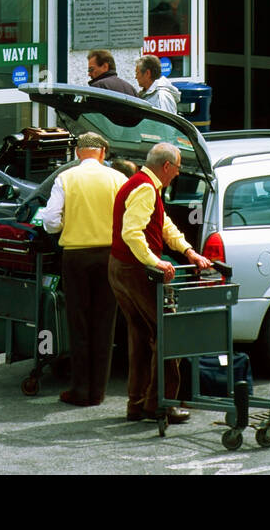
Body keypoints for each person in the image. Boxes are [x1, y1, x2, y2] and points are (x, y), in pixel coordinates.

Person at [108, 142, 212, 424]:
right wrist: (156, 261)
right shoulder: (145, 188)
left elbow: (164, 225)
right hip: (136, 271)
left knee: (141, 336)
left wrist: (188, 251)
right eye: (177, 168)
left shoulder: (141, 185)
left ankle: (138, 403)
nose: (178, 174)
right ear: (166, 166)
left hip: (121, 268)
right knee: (169, 333)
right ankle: (161, 405)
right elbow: (132, 232)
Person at [40, 133, 126, 407]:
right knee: (104, 323)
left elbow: (50, 220)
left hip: (76, 256)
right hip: (109, 255)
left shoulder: (65, 178)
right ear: (102, 153)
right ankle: (98, 391)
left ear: (78, 153)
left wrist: (65, 225)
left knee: (78, 322)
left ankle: (80, 389)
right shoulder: (118, 179)